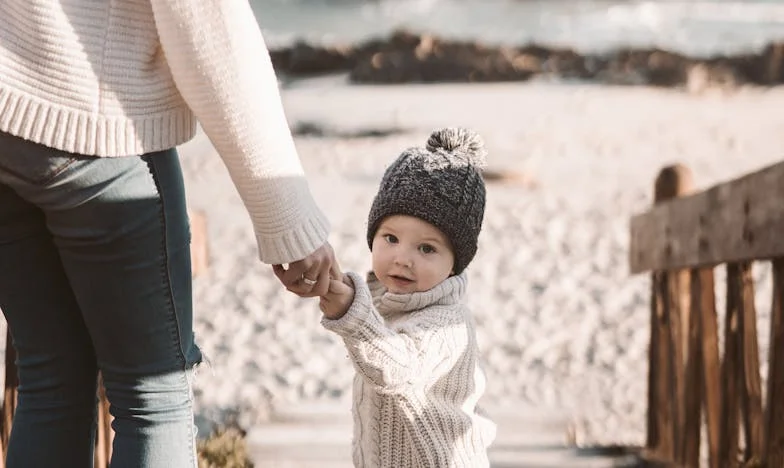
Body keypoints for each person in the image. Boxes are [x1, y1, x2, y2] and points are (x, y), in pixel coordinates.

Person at [0, 0, 337, 466]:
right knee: (153, 400)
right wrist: (288, 215)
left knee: (51, 380)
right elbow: (209, 24)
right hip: (96, 125)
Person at [318, 128, 497, 467]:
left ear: (455, 263)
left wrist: (352, 315)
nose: (402, 259)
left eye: (426, 248)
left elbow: (395, 369)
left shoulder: (447, 324)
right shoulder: (384, 301)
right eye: (391, 238)